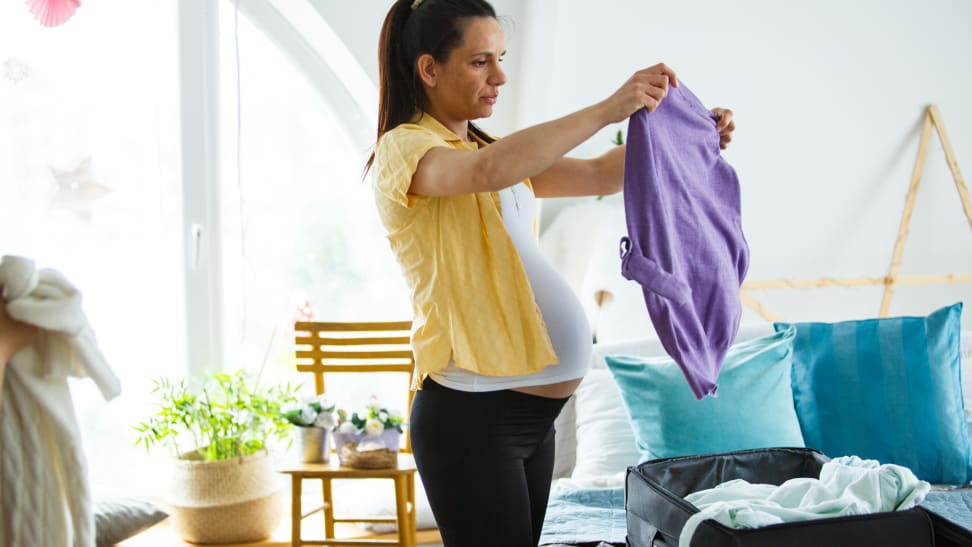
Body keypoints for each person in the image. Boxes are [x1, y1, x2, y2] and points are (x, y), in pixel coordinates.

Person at [367, 1, 735, 545]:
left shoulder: (481, 147)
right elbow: (488, 172)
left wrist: (695, 135)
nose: (500, 76)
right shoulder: (407, 150)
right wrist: (608, 108)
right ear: (429, 68)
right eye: (479, 62)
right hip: (472, 416)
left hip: (530, 416)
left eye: (502, 58)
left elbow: (601, 174)